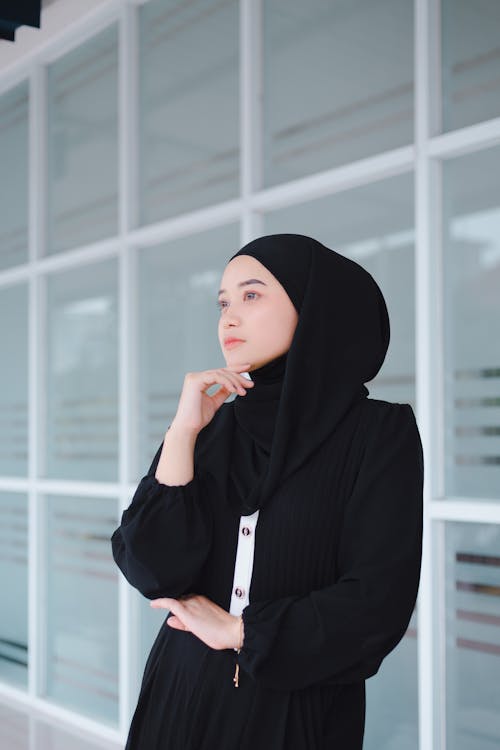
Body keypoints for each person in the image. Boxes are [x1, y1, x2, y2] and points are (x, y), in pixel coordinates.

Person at [111, 233, 424, 749]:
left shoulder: (378, 434)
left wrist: (241, 632)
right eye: (223, 303)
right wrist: (182, 432)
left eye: (251, 296)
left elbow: (378, 602)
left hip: (298, 711)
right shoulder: (208, 430)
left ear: (313, 308)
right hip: (181, 693)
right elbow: (151, 570)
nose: (229, 318)